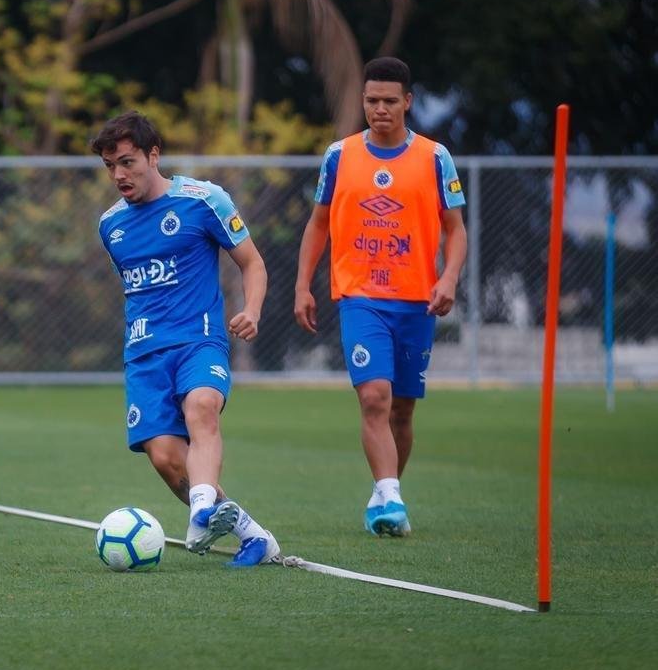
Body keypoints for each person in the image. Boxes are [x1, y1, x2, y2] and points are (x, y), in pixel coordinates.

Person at [93, 110, 280, 566]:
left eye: (127, 161)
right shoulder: (110, 226)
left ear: (153, 155)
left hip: (200, 341)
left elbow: (252, 262)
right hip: (143, 354)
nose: (119, 174)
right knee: (165, 458)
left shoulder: (204, 200)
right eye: (110, 166)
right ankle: (253, 535)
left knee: (202, 408)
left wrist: (251, 310)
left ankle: (200, 511)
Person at [293, 56, 467, 537]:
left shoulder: (434, 157)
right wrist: (303, 286)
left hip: (417, 301)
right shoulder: (340, 155)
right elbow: (318, 223)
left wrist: (448, 277)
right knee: (374, 396)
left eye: (390, 101)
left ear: (408, 103)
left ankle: (385, 491)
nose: (380, 109)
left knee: (402, 410)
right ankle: (390, 495)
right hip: (359, 296)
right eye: (372, 101)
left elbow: (455, 230)